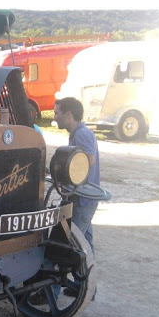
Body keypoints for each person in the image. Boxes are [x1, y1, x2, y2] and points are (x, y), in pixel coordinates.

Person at [53, 97, 100, 252]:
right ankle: (88, 275)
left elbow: (89, 159)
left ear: (69, 115)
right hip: (84, 198)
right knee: (85, 240)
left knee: (73, 243)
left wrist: (66, 172)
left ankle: (82, 275)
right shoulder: (78, 133)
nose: (54, 117)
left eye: (57, 113)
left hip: (82, 199)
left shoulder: (81, 134)